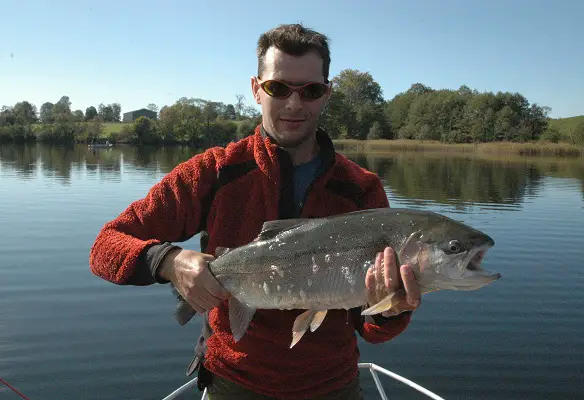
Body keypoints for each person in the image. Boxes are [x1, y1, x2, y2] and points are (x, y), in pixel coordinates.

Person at [89, 23, 421, 400]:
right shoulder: (214, 172)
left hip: (332, 386)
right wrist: (169, 260)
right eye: (278, 88)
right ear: (256, 90)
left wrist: (391, 309)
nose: (294, 104)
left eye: (310, 91)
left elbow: (374, 330)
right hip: (233, 383)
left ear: (326, 95)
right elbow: (105, 246)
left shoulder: (361, 188)